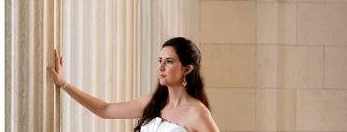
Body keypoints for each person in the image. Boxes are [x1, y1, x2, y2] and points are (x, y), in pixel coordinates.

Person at [47, 37, 220, 132]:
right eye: (160, 60)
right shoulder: (155, 102)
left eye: (169, 61)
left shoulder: (197, 112)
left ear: (187, 69)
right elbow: (105, 110)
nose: (161, 67)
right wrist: (64, 84)